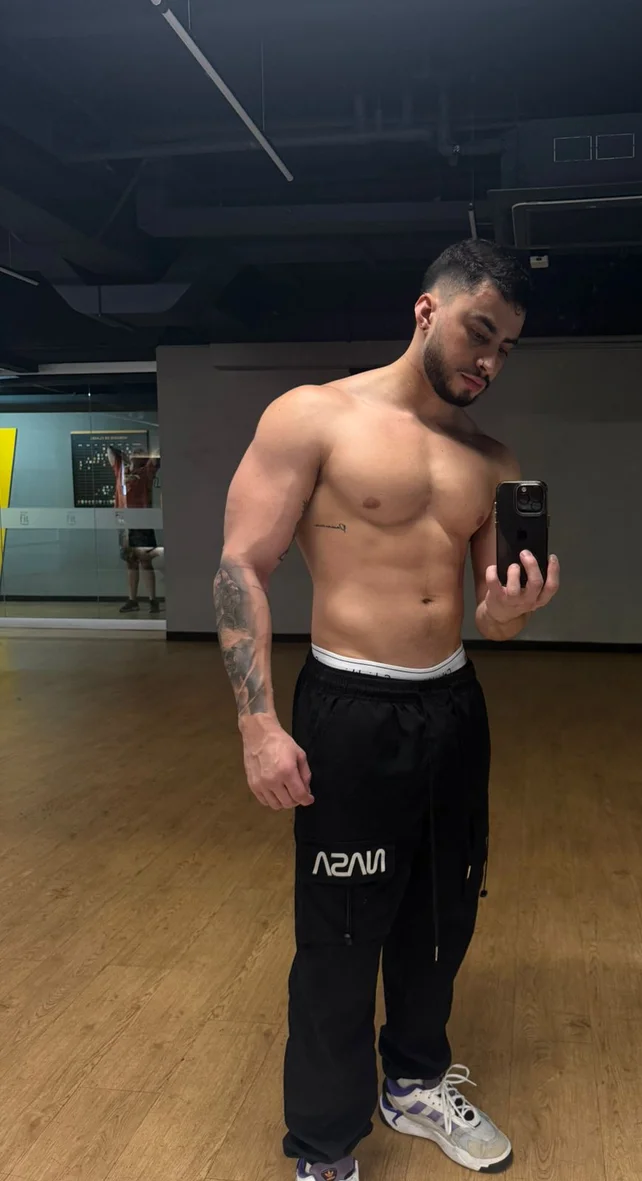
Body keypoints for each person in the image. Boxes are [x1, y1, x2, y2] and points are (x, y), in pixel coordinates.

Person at [214, 240, 560, 1181]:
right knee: (340, 935)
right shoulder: (314, 416)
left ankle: (413, 1080)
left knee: (441, 915)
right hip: (351, 707)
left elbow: (495, 619)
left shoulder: (492, 458)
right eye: (479, 332)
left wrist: (514, 609)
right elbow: (242, 564)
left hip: (452, 706)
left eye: (506, 347)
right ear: (426, 310)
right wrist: (257, 723)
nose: (488, 361)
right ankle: (325, 1145)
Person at [107, 444, 162, 613]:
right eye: (134, 451)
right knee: (131, 562)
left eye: (140, 452)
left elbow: (157, 456)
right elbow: (110, 452)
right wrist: (123, 454)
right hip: (125, 524)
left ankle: (153, 600)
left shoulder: (146, 472)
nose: (136, 453)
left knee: (145, 562)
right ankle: (132, 600)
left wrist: (148, 454)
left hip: (141, 522)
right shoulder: (121, 471)